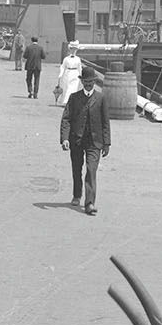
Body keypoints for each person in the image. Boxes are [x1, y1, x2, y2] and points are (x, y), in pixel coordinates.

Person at [60, 65, 110, 215]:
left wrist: (106, 143)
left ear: (94, 82)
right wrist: (64, 138)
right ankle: (77, 194)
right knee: (77, 169)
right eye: (85, 82)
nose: (88, 84)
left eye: (91, 82)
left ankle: (90, 203)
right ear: (81, 82)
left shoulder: (101, 98)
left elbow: (105, 122)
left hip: (94, 141)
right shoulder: (74, 98)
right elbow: (66, 119)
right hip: (76, 140)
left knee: (91, 170)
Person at [55, 41, 83, 106]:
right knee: (66, 87)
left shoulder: (78, 59)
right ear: (70, 50)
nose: (73, 51)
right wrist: (61, 74)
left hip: (75, 74)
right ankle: (65, 101)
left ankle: (68, 101)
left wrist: (81, 75)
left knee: (72, 88)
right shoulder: (66, 59)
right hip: (67, 73)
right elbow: (63, 67)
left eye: (75, 49)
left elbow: (79, 68)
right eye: (72, 49)